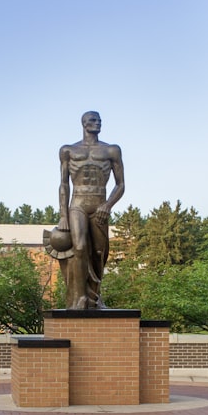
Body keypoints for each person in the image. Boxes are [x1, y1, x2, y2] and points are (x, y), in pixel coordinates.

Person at [55, 111, 125, 309]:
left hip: (99, 204)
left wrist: (107, 205)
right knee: (79, 247)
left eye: (99, 120)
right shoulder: (68, 150)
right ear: (84, 123)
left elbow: (121, 185)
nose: (98, 123)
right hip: (77, 204)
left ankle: (95, 298)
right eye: (93, 120)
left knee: (99, 252)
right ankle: (79, 298)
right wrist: (63, 215)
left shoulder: (112, 150)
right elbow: (63, 184)